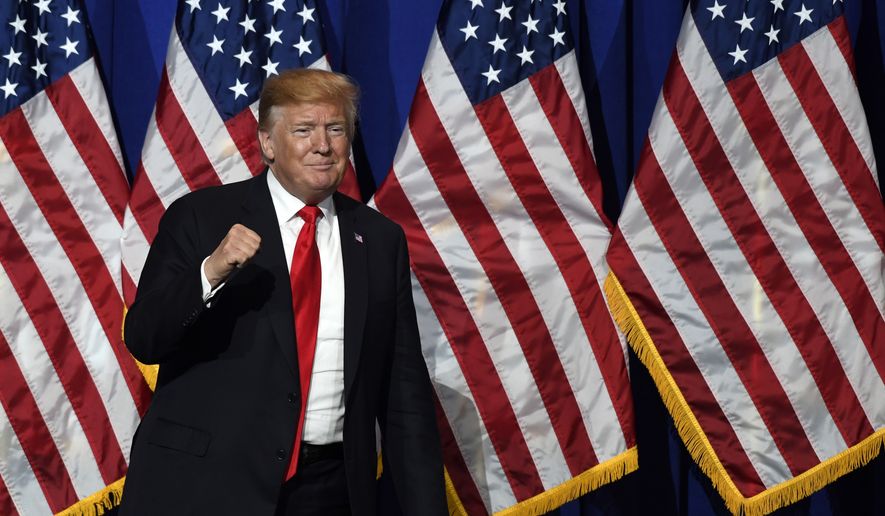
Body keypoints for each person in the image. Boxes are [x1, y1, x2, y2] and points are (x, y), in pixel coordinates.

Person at [119, 69, 446, 516]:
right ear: (268, 144)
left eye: (336, 129)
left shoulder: (379, 239)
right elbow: (144, 338)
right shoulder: (201, 217)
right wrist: (211, 272)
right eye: (304, 130)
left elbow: (403, 391)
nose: (323, 145)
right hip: (205, 487)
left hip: (328, 493)